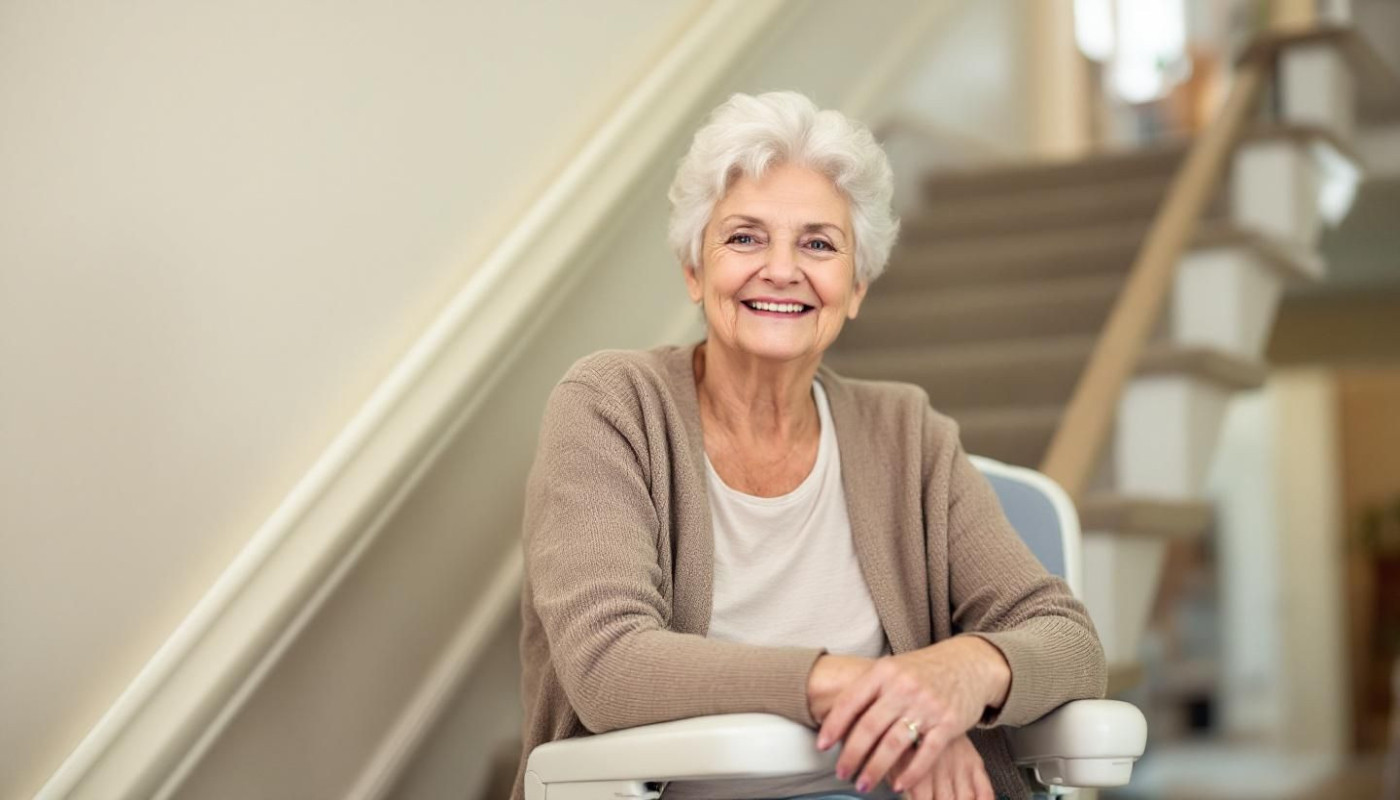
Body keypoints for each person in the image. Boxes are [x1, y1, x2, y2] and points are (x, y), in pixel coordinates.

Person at [513, 91, 1106, 800]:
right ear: (694, 270)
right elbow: (609, 666)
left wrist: (960, 674)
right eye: (744, 237)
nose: (783, 269)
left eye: (819, 243)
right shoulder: (612, 405)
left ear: (855, 286)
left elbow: (1067, 639)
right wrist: (860, 686)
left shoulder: (906, 432)